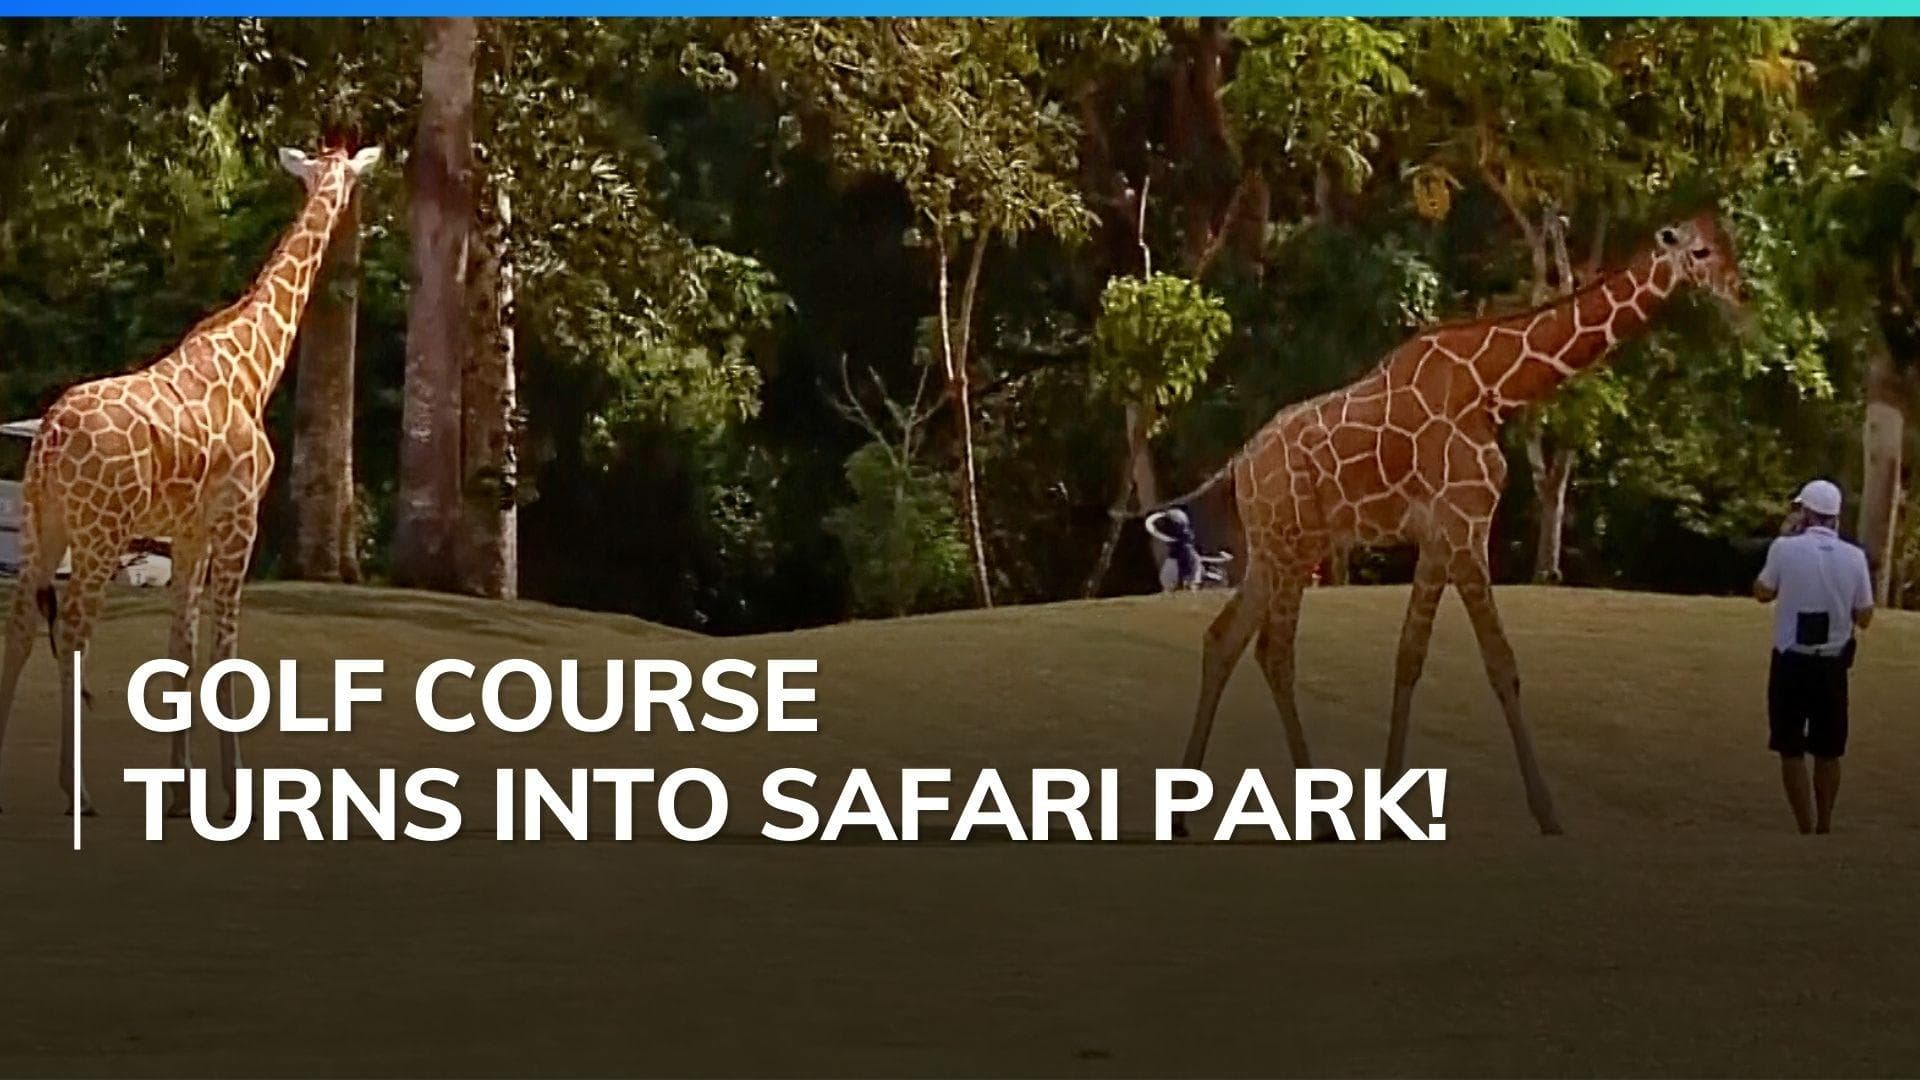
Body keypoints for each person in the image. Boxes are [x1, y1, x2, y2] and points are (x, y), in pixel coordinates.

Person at [1753, 478, 1874, 835]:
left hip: (1791, 660)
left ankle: (1804, 824)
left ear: (1805, 513)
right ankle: (1825, 823)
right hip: (1832, 663)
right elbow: (1864, 616)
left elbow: (1763, 592)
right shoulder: (1854, 557)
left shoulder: (1784, 549)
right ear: (1836, 517)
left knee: (1790, 745)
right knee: (1829, 748)